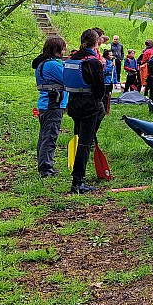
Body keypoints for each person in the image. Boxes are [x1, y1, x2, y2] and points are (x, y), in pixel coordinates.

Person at [64, 29, 105, 194]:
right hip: (89, 107)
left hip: (73, 105)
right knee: (84, 144)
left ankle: (78, 178)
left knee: (82, 140)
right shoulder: (93, 62)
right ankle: (77, 182)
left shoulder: (71, 58)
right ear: (96, 43)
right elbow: (100, 90)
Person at [32, 36, 68, 179]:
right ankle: (46, 168)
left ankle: (43, 165)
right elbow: (67, 78)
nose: (65, 50)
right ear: (57, 49)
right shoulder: (53, 65)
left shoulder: (43, 63)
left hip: (46, 104)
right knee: (50, 136)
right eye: (63, 48)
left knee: (44, 137)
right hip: (53, 105)